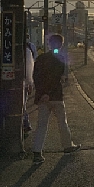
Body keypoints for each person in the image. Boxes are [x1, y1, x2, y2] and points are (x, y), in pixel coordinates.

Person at [32, 34, 81, 164]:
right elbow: (57, 78)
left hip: (42, 98)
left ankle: (37, 153)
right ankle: (67, 146)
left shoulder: (41, 58)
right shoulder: (60, 58)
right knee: (62, 123)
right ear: (60, 45)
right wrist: (48, 92)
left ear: (49, 44)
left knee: (41, 125)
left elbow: (36, 77)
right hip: (55, 97)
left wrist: (41, 93)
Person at [23, 41, 34, 133]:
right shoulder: (27, 52)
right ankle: (25, 124)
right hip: (24, 84)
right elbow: (29, 70)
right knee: (22, 104)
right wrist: (30, 83)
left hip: (11, 83)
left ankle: (25, 124)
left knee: (21, 105)